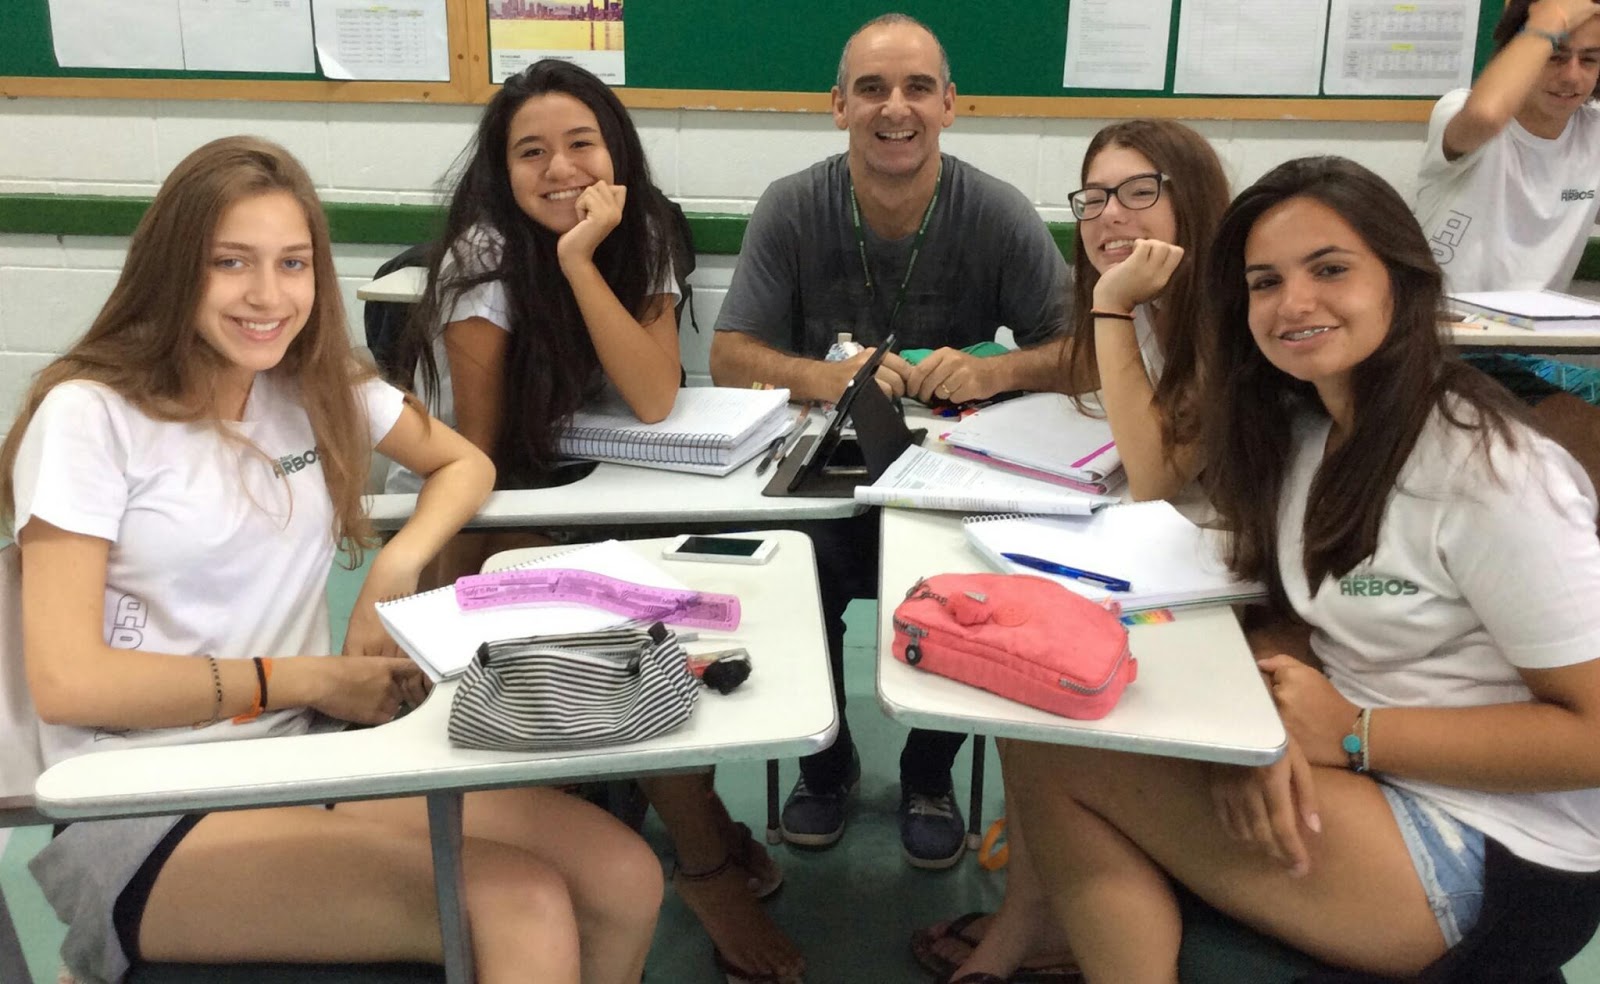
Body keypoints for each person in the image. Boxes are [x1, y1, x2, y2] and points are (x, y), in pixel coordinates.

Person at [7, 136, 664, 984]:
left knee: (623, 878)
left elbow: (464, 463)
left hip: (306, 751)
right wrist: (311, 679)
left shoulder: (312, 385)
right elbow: (71, 684)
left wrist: (396, 566)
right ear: (172, 270)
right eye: (230, 263)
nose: (267, 296)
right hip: (141, 796)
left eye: (293, 263)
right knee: (517, 905)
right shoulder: (90, 415)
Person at [992, 156, 1600, 984]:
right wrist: (1257, 729)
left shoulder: (1490, 472)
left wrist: (1352, 734)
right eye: (1266, 282)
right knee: (1052, 725)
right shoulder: (1309, 434)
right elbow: (1305, 616)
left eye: (1331, 269)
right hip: (1371, 772)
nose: (1295, 303)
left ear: (1402, 281)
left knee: (1059, 755)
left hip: (1502, 848)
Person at [387, 60, 804, 982]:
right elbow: (477, 459)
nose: (561, 168)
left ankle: (696, 814)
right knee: (616, 643)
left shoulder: (638, 228)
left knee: (687, 623)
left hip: (606, 491)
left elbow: (654, 397)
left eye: (581, 143)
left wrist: (582, 261)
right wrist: (434, 601)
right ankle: (706, 865)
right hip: (504, 508)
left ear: (615, 150)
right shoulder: (481, 262)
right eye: (530, 152)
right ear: (502, 170)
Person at [709, 12, 1072, 867]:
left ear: (950, 104)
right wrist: (826, 377)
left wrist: (992, 372)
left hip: (954, 478)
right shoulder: (794, 204)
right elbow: (728, 355)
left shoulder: (996, 210)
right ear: (839, 106)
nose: (894, 108)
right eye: (871, 89)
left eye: (917, 88)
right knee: (791, 574)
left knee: (981, 587)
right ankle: (825, 761)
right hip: (825, 471)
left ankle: (928, 771)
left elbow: (1079, 354)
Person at [912, 118, 1230, 982]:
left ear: (1194, 201)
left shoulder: (1221, 316)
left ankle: (1033, 925)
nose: (1110, 215)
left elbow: (1155, 474)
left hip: (1217, 586)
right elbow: (1092, 371)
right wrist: (1006, 367)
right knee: (1024, 674)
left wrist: (1112, 303)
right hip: (1162, 552)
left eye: (1139, 191)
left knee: (1038, 692)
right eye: (1093, 198)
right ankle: (1036, 913)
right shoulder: (1159, 309)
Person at [1414, 0, 1600, 294]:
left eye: (1589, 60)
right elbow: (1485, 116)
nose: (1571, 76)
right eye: (1554, 55)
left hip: (1537, 322)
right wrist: (1549, 21)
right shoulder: (1457, 108)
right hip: (1443, 316)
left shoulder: (1594, 132)